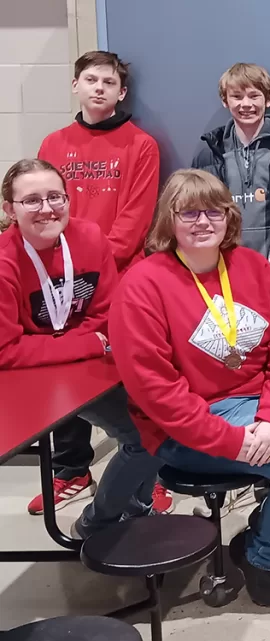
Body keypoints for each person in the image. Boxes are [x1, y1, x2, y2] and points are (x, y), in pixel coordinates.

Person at [108, 169, 270, 608]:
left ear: (230, 218)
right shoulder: (142, 285)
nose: (203, 221)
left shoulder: (250, 265)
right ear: (168, 220)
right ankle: (265, 559)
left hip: (265, 396)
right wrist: (233, 441)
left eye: (214, 211)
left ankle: (263, 532)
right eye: (189, 212)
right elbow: (157, 393)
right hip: (197, 421)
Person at [33, 50, 165, 518]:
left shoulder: (140, 144)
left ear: (121, 92)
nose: (99, 88)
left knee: (133, 375)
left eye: (108, 82)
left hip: (117, 278)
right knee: (63, 370)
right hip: (59, 281)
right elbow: (46, 211)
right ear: (76, 85)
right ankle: (71, 469)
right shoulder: (54, 142)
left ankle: (150, 471)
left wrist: (90, 264)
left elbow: (135, 219)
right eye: (90, 79)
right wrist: (63, 267)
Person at [0, 159, 162, 539]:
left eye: (55, 197)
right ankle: (99, 523)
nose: (47, 209)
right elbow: (6, 350)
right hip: (34, 375)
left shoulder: (88, 237)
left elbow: (107, 312)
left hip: (87, 362)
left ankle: (137, 513)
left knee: (162, 418)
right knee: (142, 439)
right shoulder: (4, 262)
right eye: (32, 200)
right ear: (10, 209)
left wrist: (76, 342)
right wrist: (86, 343)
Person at [193, 62, 270, 293]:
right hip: (223, 273)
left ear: (267, 100)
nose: (246, 104)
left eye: (253, 96)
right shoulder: (209, 156)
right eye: (236, 96)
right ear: (225, 101)